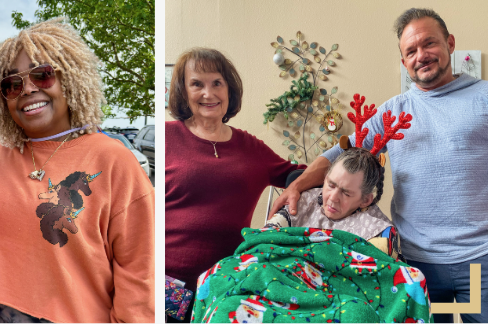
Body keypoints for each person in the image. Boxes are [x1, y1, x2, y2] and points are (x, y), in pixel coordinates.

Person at [270, 8, 488, 323]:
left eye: (429, 44)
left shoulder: (483, 96)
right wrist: (296, 186)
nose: (421, 55)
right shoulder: (393, 112)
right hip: (415, 261)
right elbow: (335, 156)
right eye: (411, 51)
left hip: (480, 259)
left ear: (450, 43)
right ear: (403, 62)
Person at [0, 18, 154, 323]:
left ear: (70, 78)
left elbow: (140, 272)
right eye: (12, 84)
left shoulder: (113, 160)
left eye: (42, 75)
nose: (27, 89)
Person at [164, 48, 304, 302]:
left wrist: (297, 187)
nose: (209, 93)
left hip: (226, 289)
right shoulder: (166, 137)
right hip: (165, 289)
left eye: (217, 83)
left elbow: (298, 175)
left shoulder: (251, 148)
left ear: (229, 90)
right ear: (184, 92)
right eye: (197, 84)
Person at [264, 148, 399, 259]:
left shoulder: (379, 232)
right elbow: (263, 240)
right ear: (325, 178)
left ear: (365, 200)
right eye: (331, 185)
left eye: (346, 193)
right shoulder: (302, 202)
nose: (333, 198)